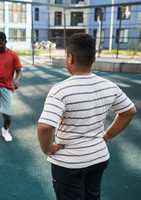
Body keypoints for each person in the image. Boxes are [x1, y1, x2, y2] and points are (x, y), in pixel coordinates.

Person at [37, 33, 136, 199]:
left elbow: (45, 126)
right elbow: (129, 111)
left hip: (69, 163)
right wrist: (107, 135)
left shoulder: (60, 90)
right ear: (94, 58)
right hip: (99, 157)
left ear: (70, 58)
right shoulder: (110, 86)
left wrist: (48, 149)